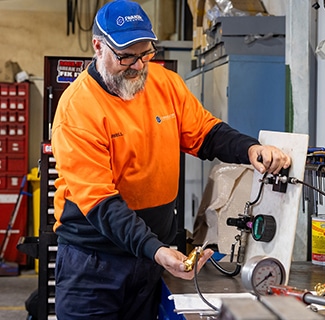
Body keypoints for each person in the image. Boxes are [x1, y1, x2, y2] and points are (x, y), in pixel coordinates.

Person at [51, 0, 291, 319]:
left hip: (148, 262)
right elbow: (101, 204)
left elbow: (206, 133)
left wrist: (250, 149)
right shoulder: (77, 110)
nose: (138, 66)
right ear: (98, 46)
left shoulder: (165, 84)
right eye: (126, 56)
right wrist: (158, 249)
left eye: (146, 53)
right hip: (94, 265)